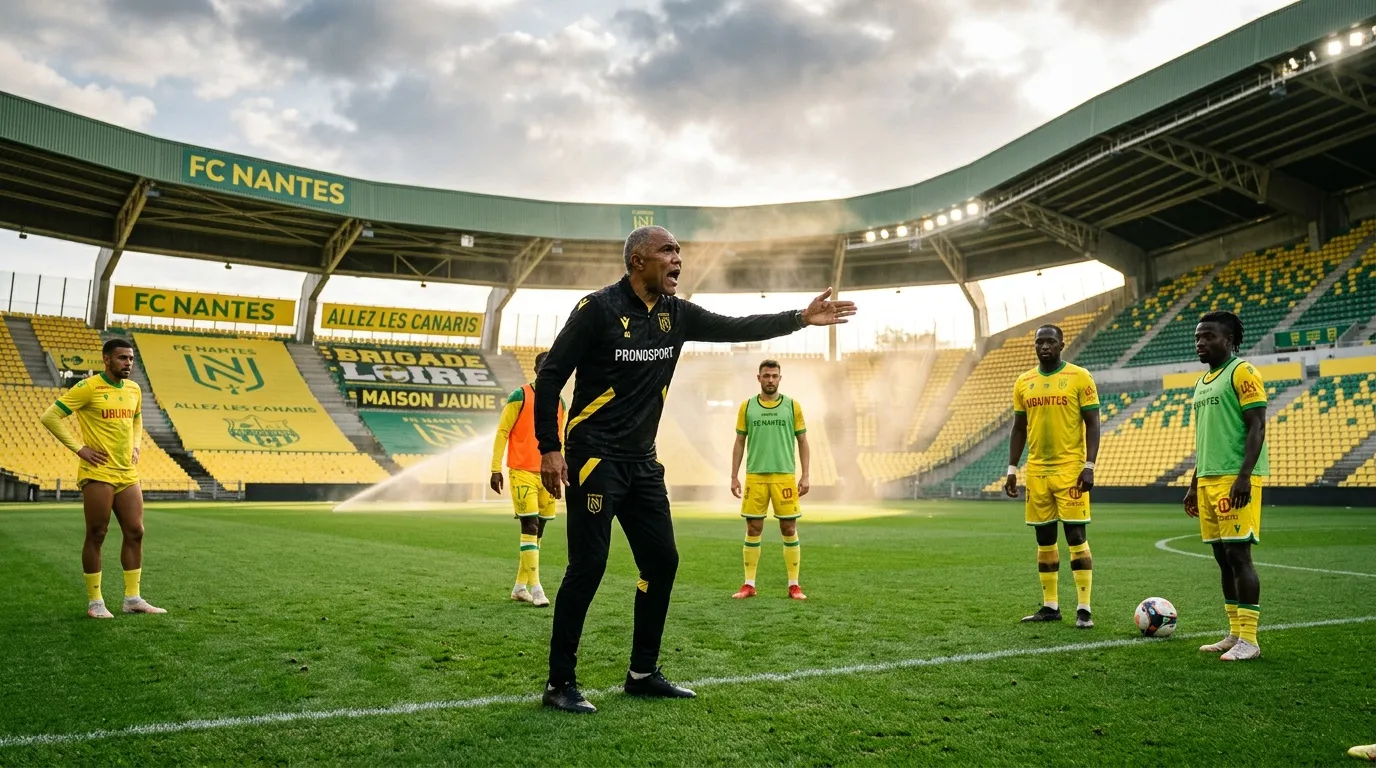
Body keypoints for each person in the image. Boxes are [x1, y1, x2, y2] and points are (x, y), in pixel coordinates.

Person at [533, 225, 856, 713]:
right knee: (589, 567)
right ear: (638, 260)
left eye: (679, 251)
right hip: (594, 458)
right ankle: (561, 683)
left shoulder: (675, 314)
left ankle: (642, 672)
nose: (677, 258)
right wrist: (549, 447)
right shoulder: (597, 309)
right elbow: (552, 374)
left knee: (662, 562)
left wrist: (799, 318)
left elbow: (736, 326)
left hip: (642, 463)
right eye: (667, 250)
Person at [39, 338, 165, 619]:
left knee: (136, 531)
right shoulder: (88, 387)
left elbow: (136, 419)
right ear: (106, 359)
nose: (128, 364)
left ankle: (132, 599)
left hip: (126, 472)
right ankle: (95, 603)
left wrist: (136, 445)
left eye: (131, 359)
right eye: (122, 358)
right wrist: (80, 449)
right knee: (97, 534)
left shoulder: (134, 389)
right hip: (98, 472)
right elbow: (50, 417)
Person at [1184, 310, 1267, 662]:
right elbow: (1205, 440)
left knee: (1238, 554)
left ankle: (1250, 638)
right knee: (1222, 558)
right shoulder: (1203, 382)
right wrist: (1192, 483)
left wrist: (1244, 475)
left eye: (1209, 336)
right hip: (1208, 480)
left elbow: (1257, 425)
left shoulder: (1243, 372)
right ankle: (1234, 633)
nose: (1201, 342)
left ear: (1229, 339)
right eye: (1198, 337)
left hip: (1235, 479)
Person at [1004, 324, 1100, 629]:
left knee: (1075, 536)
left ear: (1061, 345)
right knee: (1044, 538)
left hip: (1070, 470)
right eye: (1039, 342)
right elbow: (1019, 428)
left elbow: (1093, 423)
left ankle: (1084, 608)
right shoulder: (1023, 382)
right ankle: (1051, 606)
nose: (1044, 346)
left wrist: (1090, 465)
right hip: (1038, 472)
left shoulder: (1079, 377)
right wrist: (1012, 468)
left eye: (1050, 341)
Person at [490, 351, 567, 607]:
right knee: (530, 527)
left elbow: (559, 440)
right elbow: (503, 432)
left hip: (547, 475)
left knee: (540, 530)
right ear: (535, 370)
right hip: (521, 472)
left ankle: (519, 587)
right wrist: (495, 469)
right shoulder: (519, 395)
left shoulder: (560, 403)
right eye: (544, 366)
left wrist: (561, 467)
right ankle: (536, 588)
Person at [729, 359, 810, 601]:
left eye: (775, 376)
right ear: (759, 378)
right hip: (755, 476)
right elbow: (740, 441)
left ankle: (794, 585)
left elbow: (803, 441)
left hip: (784, 476)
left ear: (780, 378)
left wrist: (806, 474)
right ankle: (749, 584)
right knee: (753, 528)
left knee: (789, 528)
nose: (771, 380)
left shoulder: (792, 406)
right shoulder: (747, 407)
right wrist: (734, 475)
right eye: (766, 376)